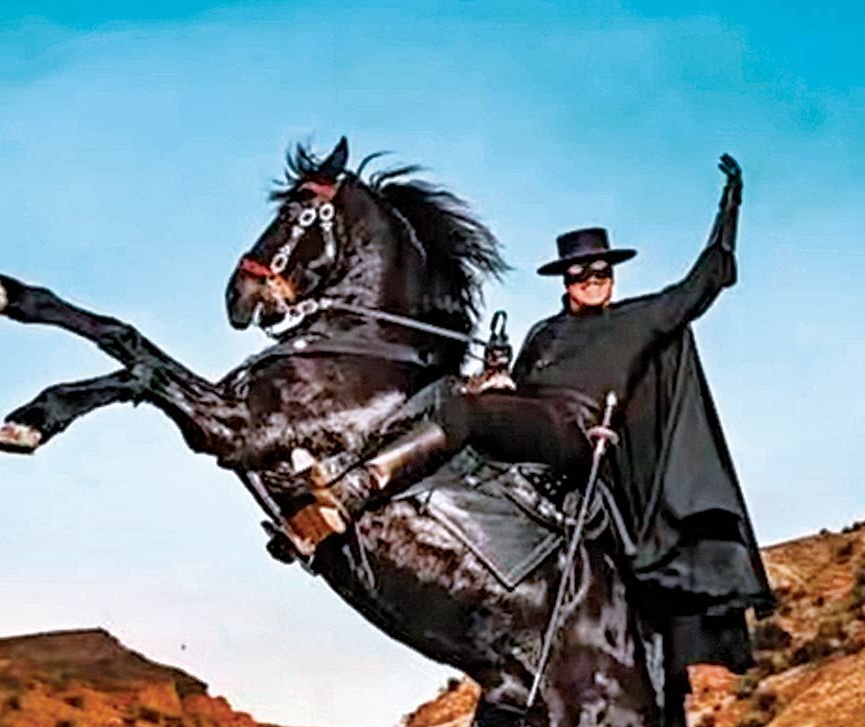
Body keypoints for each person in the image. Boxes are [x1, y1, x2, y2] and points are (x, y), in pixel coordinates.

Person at [292, 154, 772, 673]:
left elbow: (704, 282)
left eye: (602, 270)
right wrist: (495, 380)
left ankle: (356, 489)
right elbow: (516, 390)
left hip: (574, 430)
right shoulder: (543, 333)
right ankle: (335, 492)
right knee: (442, 397)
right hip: (531, 418)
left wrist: (730, 206)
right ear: (566, 279)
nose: (593, 279)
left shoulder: (641, 319)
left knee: (467, 413)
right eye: (581, 271)